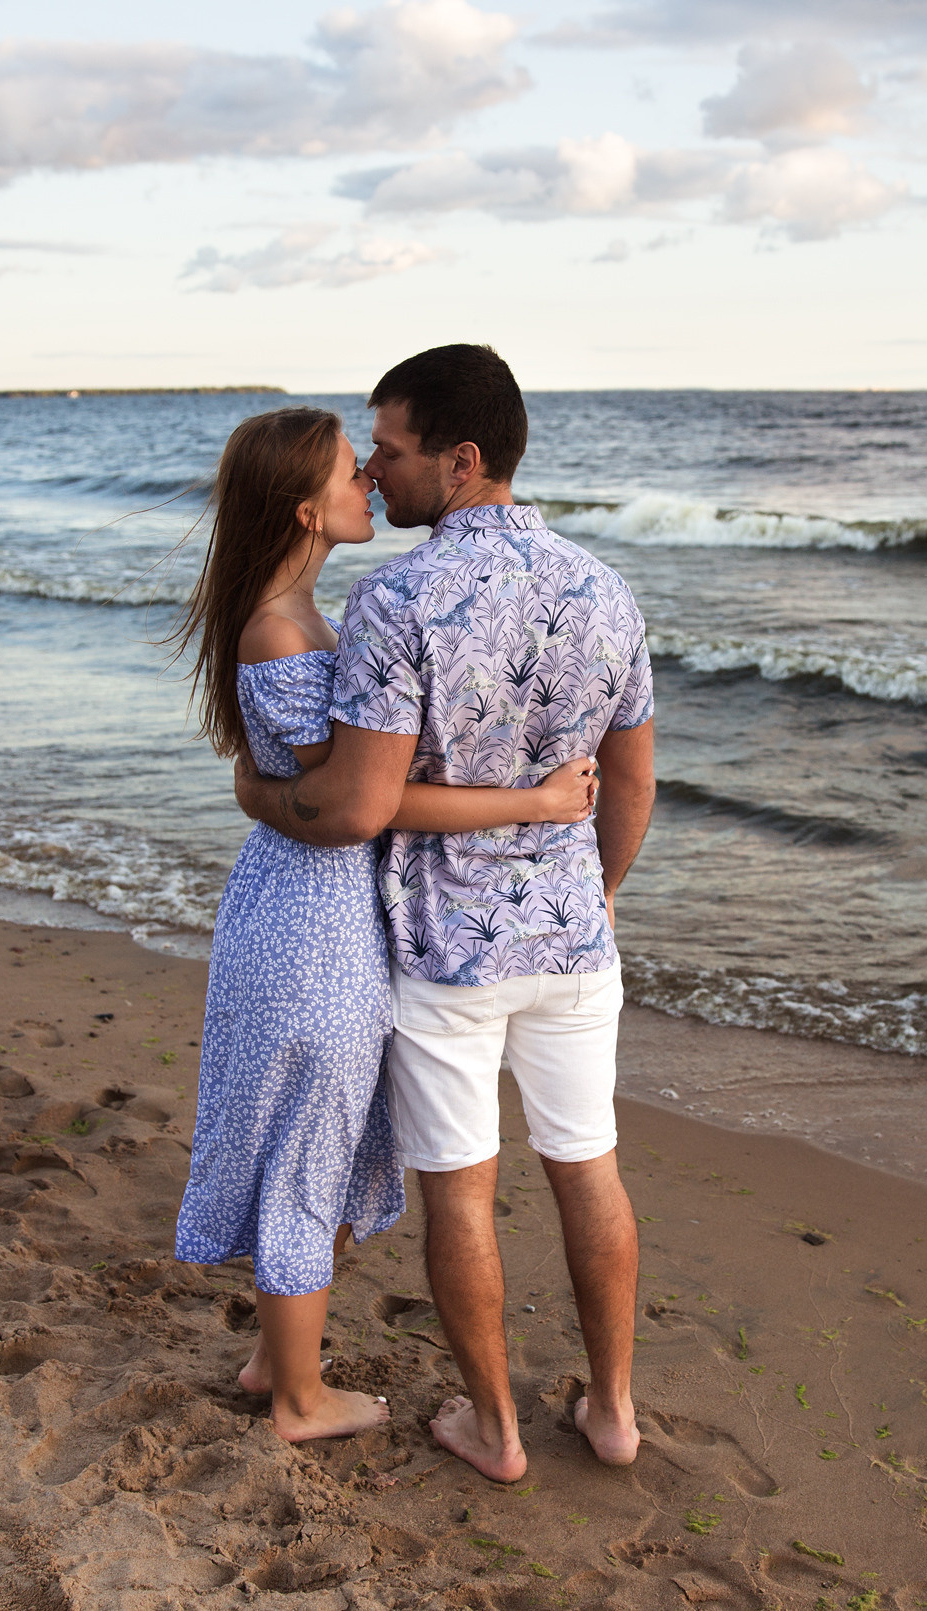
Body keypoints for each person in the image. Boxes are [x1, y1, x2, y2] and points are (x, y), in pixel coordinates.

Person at [233, 345, 656, 1481]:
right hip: (573, 941)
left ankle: (497, 1429)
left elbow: (359, 806)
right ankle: (612, 1413)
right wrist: (596, 894)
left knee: (461, 1195)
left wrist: (259, 792)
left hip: (443, 952)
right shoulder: (604, 589)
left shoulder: (395, 599)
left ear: (463, 462)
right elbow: (630, 784)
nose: (377, 469)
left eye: (395, 449)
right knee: (589, 1167)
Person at [169, 405, 601, 1444]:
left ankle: (275, 1359)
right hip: (313, 922)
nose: (368, 477)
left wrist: (268, 791)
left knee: (308, 1144)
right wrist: (535, 804)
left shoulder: (301, 616)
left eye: (371, 463)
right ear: (304, 507)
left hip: (311, 909)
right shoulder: (285, 628)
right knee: (307, 1155)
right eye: (345, 472)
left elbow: (323, 787)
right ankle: (300, 1400)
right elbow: (362, 804)